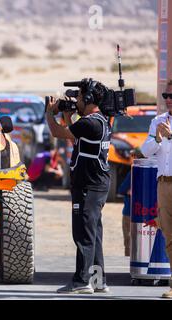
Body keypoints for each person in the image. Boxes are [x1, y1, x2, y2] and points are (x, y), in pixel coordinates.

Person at [45, 81, 111, 294]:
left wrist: (49, 113)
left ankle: (82, 281)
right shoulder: (100, 122)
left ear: (90, 99)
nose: (78, 102)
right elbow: (75, 136)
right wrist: (67, 114)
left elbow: (57, 132)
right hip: (96, 184)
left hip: (88, 185)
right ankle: (98, 281)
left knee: (83, 233)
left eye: (80, 98)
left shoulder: (89, 123)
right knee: (94, 233)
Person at [140, 80, 172, 299]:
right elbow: (145, 150)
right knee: (168, 235)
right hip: (164, 183)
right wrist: (158, 138)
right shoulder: (157, 121)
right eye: (166, 96)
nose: (168, 100)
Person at [117, 171, 131, 257]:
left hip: (129, 212)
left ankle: (128, 265)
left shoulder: (134, 172)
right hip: (149, 213)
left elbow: (122, 190)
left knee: (129, 243)